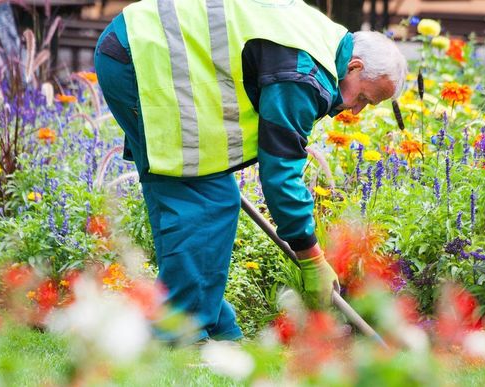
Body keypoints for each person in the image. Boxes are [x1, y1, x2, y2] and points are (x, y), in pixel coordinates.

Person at [94, 0, 406, 343]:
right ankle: (181, 335)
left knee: (214, 198)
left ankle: (212, 325)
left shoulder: (320, 43)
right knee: (202, 201)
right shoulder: (305, 73)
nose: (356, 111)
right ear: (355, 66)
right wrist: (311, 255)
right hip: (144, 55)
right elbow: (281, 173)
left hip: (140, 47)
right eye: (363, 98)